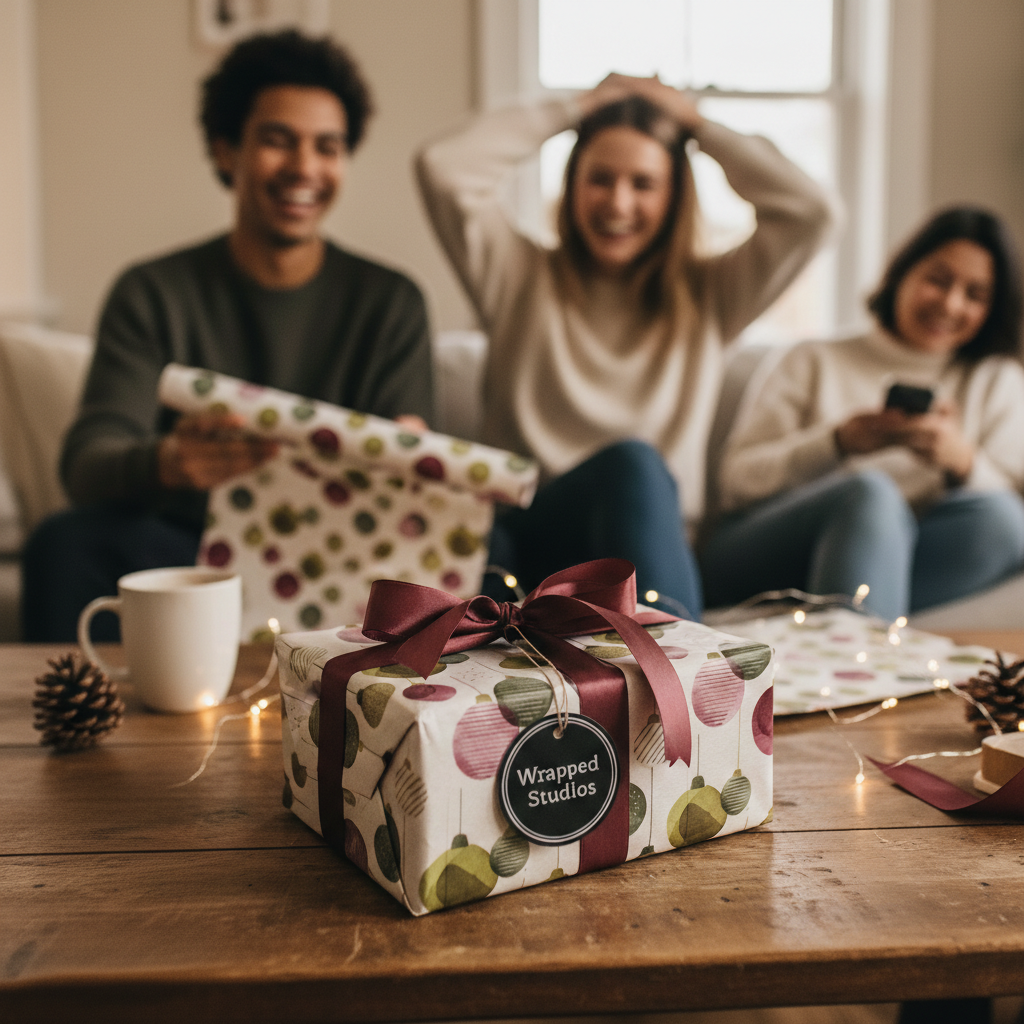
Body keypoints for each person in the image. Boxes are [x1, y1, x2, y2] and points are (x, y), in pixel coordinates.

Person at [23, 30, 433, 642]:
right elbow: (87, 461)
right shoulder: (151, 292)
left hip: (346, 558)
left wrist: (413, 463)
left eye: (327, 146)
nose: (304, 167)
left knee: (497, 550)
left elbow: (408, 461)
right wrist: (169, 460)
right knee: (65, 544)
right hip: (186, 557)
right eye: (277, 140)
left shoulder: (391, 301)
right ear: (225, 151)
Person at [416, 74, 837, 618]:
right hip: (535, 537)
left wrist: (698, 125)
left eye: (643, 184)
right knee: (624, 464)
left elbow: (813, 214)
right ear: (572, 185)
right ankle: (678, 669)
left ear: (672, 196)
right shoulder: (518, 273)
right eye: (601, 178)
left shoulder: (710, 295)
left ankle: (676, 673)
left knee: (635, 467)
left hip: (644, 550)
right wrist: (578, 107)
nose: (618, 202)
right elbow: (442, 167)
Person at [700, 206, 1024, 620]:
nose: (950, 303)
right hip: (764, 549)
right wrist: (839, 443)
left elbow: (1014, 515)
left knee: (1002, 520)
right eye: (938, 280)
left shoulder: (995, 380)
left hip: (900, 558)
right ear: (903, 272)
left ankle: (842, 613)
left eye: (975, 294)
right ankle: (852, 650)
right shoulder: (811, 359)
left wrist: (961, 461)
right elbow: (736, 483)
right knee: (870, 491)